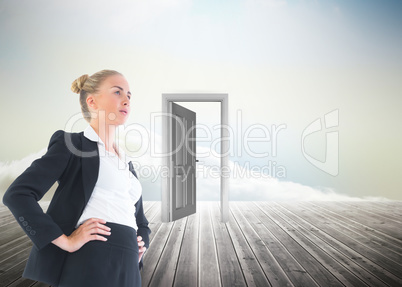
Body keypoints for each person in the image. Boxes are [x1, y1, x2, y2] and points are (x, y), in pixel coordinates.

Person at [3, 69, 151, 287]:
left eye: (129, 95)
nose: (127, 100)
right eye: (117, 92)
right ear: (92, 101)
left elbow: (142, 222)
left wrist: (141, 244)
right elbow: (18, 194)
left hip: (129, 266)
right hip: (92, 257)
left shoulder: (127, 163)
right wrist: (65, 241)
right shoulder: (72, 145)